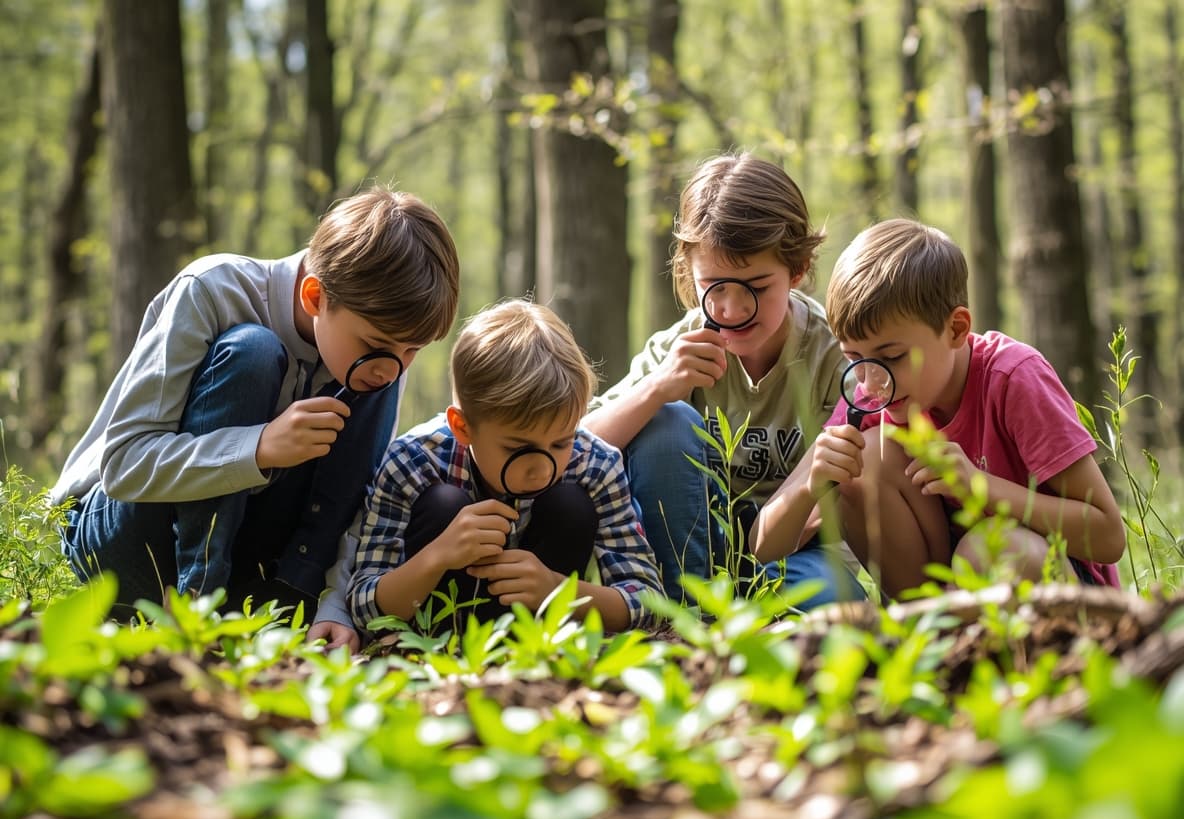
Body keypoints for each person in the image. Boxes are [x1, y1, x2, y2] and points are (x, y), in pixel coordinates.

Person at [51, 186, 461, 621]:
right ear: (315, 297)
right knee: (253, 351)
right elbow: (123, 466)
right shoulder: (214, 290)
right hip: (122, 532)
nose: (394, 366)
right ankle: (194, 609)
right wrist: (259, 447)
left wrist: (334, 608)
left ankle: (291, 600)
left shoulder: (381, 357)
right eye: (378, 344)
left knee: (371, 384)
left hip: (246, 547)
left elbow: (360, 497)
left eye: (413, 350)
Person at [750, 218, 1126, 596]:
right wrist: (809, 489)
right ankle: (927, 637)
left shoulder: (1013, 378)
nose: (870, 382)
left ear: (956, 329)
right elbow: (764, 546)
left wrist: (979, 487)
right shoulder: (869, 400)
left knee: (992, 552)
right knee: (867, 461)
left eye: (893, 357)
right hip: (949, 602)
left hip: (1061, 596)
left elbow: (1109, 537)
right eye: (853, 358)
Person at [583, 152, 861, 607]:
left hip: (799, 558)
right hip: (690, 562)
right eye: (714, 286)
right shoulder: (679, 346)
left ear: (798, 270)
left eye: (755, 286)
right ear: (689, 275)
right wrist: (657, 389)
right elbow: (575, 448)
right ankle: (684, 619)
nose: (732, 310)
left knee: (832, 602)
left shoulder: (835, 355)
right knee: (664, 422)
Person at [345, 299, 664, 637]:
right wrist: (437, 556)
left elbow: (650, 600)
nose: (541, 470)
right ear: (462, 426)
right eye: (518, 448)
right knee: (443, 505)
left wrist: (560, 591)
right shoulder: (413, 462)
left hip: (538, 644)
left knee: (569, 504)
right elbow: (364, 607)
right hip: (436, 648)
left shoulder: (594, 463)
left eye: (560, 443)